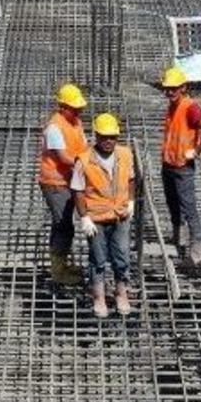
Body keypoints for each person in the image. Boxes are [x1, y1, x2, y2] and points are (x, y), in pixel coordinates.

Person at [72, 113, 137, 318]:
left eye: (113, 137)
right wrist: (84, 217)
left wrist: (131, 201)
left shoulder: (125, 154)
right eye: (104, 136)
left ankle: (121, 293)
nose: (109, 141)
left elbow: (131, 179)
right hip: (97, 219)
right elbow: (77, 190)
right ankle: (99, 298)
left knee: (122, 257)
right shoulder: (83, 161)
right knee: (98, 259)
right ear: (96, 136)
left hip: (120, 215)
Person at [159, 66, 201, 264]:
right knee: (173, 204)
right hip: (168, 164)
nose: (170, 92)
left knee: (188, 207)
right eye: (167, 88)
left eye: (174, 88)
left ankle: (196, 247)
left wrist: (197, 151)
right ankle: (178, 238)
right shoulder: (172, 105)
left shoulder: (190, 107)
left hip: (183, 167)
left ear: (183, 87)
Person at [37, 83, 89, 287]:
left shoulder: (76, 122)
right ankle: (58, 272)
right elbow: (63, 157)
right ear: (62, 106)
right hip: (55, 183)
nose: (79, 110)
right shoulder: (54, 127)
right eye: (74, 107)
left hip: (70, 181)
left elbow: (83, 147)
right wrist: (87, 163)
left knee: (63, 224)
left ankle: (61, 265)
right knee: (63, 227)